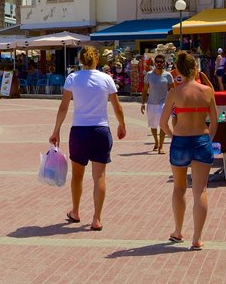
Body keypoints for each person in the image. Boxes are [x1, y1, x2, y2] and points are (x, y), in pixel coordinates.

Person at [49, 46, 126, 231]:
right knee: (99, 176)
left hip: (80, 131)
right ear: (97, 60)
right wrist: (122, 124)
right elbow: (117, 106)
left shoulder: (73, 78)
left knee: (77, 175)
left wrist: (56, 130)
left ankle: (75, 211)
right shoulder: (106, 79)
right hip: (101, 130)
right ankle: (97, 218)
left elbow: (63, 107)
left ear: (81, 60)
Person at [159, 51, 217, 251]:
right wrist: (208, 138)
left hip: (181, 140)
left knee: (179, 188)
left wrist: (172, 136)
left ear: (180, 71)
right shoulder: (207, 91)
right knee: (200, 190)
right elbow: (215, 121)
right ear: (195, 69)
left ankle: (177, 231)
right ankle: (197, 238)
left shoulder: (175, 92)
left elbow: (163, 122)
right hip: (201, 138)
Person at [141, 54, 174, 154]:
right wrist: (143, 103)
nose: (159, 63)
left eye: (161, 62)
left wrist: (173, 102)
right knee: (153, 125)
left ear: (164, 63)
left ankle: (161, 146)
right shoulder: (149, 75)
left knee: (163, 125)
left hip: (163, 104)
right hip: (151, 104)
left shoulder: (168, 75)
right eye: (157, 61)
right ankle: (156, 142)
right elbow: (145, 90)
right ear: (154, 63)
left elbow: (173, 89)